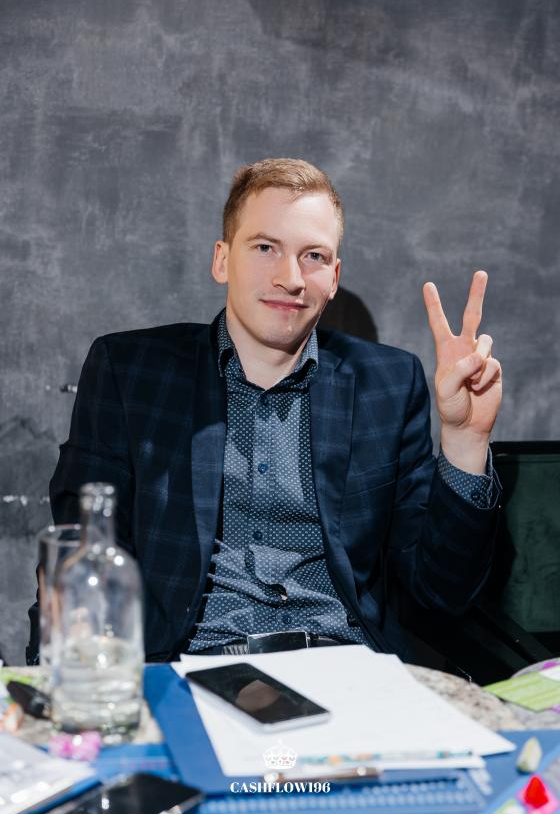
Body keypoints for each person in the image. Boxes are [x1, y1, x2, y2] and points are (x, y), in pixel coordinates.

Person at [27, 158, 502, 664]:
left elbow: (441, 592)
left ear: (334, 277)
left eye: (313, 256)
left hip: (347, 665)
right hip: (190, 665)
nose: (290, 278)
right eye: (264, 248)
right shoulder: (131, 372)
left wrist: (465, 441)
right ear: (222, 260)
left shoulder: (388, 383)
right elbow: (83, 560)